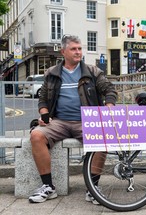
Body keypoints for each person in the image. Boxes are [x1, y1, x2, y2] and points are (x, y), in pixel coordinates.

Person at [28, 35, 117, 204]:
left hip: (86, 121)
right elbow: (43, 99)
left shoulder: (92, 71)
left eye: (79, 49)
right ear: (63, 52)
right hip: (59, 121)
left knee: (103, 138)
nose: (78, 52)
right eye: (73, 49)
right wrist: (44, 114)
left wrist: (109, 105)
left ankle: (93, 189)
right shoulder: (52, 73)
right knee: (36, 136)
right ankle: (48, 187)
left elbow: (110, 90)